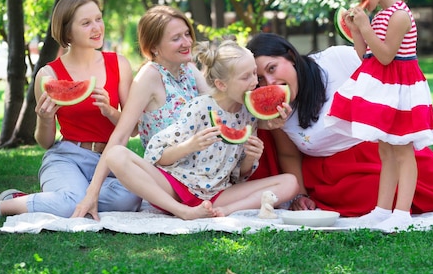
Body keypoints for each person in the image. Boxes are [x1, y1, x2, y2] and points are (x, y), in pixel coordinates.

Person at [246, 33, 433, 222]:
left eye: (272, 68)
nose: (270, 81)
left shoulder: (336, 60)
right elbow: (289, 155)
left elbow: (388, 78)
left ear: (290, 56)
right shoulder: (275, 114)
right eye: (260, 79)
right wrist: (299, 195)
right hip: (329, 176)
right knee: (372, 197)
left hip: (379, 150)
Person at [0, 0, 142, 225]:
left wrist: (111, 112)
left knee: (129, 200)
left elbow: (133, 129)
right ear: (67, 33)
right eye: (86, 23)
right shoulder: (48, 75)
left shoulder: (119, 64)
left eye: (98, 19)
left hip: (112, 158)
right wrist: (44, 119)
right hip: (67, 157)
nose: (97, 28)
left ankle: (45, 199)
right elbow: (44, 142)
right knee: (70, 203)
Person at [104, 40, 299, 219]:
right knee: (116, 155)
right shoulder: (199, 108)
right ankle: (183, 212)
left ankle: (226, 211)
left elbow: (239, 176)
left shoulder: (249, 116)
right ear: (222, 84)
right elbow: (157, 155)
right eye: (245, 77)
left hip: (218, 194)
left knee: (290, 182)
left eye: (254, 74)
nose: (255, 82)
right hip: (175, 187)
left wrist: (250, 158)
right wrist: (190, 145)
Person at [324, 0, 433, 232]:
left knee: (403, 152)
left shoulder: (399, 15)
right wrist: (358, 30)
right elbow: (367, 56)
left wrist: (366, 25)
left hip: (400, 90)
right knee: (385, 152)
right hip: (383, 89)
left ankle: (402, 212)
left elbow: (387, 56)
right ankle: (382, 209)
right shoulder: (380, 14)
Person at [71, 5, 210, 220]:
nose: (187, 42)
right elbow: (121, 135)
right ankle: (183, 211)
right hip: (168, 180)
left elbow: (216, 108)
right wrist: (92, 193)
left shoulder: (189, 68)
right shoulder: (149, 76)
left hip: (204, 175)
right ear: (154, 47)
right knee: (118, 155)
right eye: (176, 38)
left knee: (281, 183)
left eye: (186, 34)